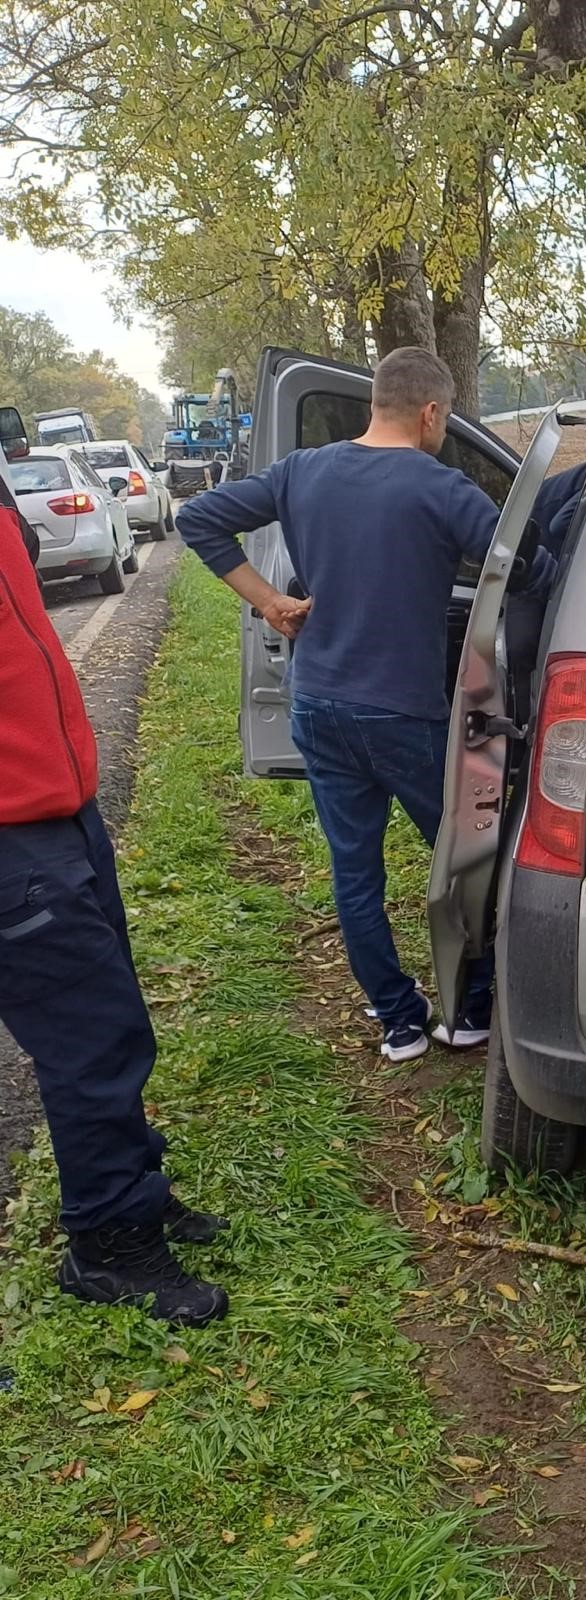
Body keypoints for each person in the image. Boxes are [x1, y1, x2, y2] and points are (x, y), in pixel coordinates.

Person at [178, 348, 550, 1063]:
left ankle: (398, 1020)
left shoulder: (302, 472)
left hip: (317, 703)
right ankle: (471, 1009)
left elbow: (200, 520)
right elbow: (526, 567)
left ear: (376, 403)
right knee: (467, 860)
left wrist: (272, 602)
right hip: (404, 715)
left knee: (355, 871)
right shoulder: (442, 489)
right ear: (432, 413)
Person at [0, 462, 228, 1326]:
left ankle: (133, 1186)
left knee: (116, 1014)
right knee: (89, 1041)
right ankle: (107, 1244)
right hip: (10, 833)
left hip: (61, 806)